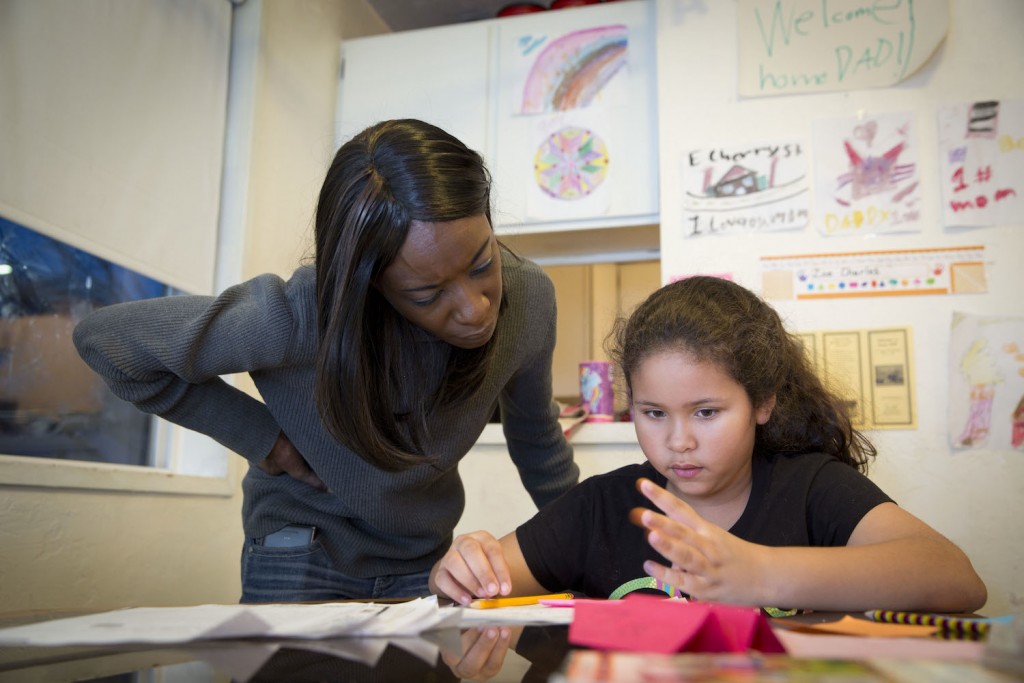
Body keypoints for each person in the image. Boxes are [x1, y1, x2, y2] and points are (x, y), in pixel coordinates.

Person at [73, 118, 579, 603]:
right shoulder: (300, 316)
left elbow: (535, 435)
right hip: (301, 549)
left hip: (423, 558)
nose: (475, 309)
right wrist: (261, 437)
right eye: (428, 294)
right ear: (370, 288)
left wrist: (591, 551)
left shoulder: (529, 299)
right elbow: (108, 343)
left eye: (482, 264)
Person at [430, 276, 988, 613]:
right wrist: (460, 571)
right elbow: (470, 587)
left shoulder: (812, 487)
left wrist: (759, 572)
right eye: (653, 413)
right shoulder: (601, 506)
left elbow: (955, 578)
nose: (678, 441)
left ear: (762, 403)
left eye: (707, 412)